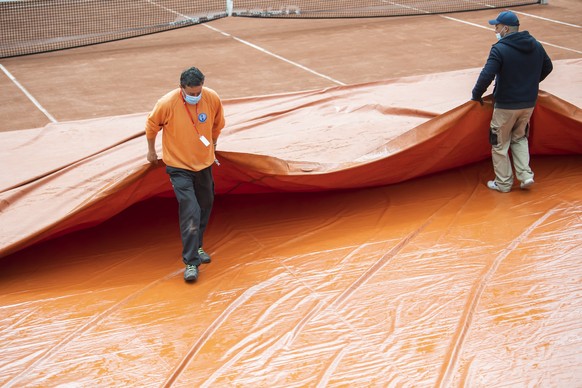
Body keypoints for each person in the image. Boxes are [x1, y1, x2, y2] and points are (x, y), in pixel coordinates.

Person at [146, 67, 225, 282]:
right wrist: (151, 150)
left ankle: (197, 246)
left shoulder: (211, 98)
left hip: (204, 164)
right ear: (181, 88)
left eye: (198, 92)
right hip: (179, 167)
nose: (195, 96)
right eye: (190, 94)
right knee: (190, 210)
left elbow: (217, 124)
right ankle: (191, 262)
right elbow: (151, 126)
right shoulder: (166, 103)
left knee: (205, 204)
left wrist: (214, 144)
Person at [471, 10, 552, 193]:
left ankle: (504, 183)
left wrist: (477, 95)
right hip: (528, 104)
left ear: (506, 28)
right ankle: (525, 176)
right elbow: (548, 66)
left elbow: (486, 75)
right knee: (519, 138)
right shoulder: (536, 45)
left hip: (506, 105)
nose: (495, 30)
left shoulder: (499, 49)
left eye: (497, 27)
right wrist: (529, 84)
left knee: (499, 143)